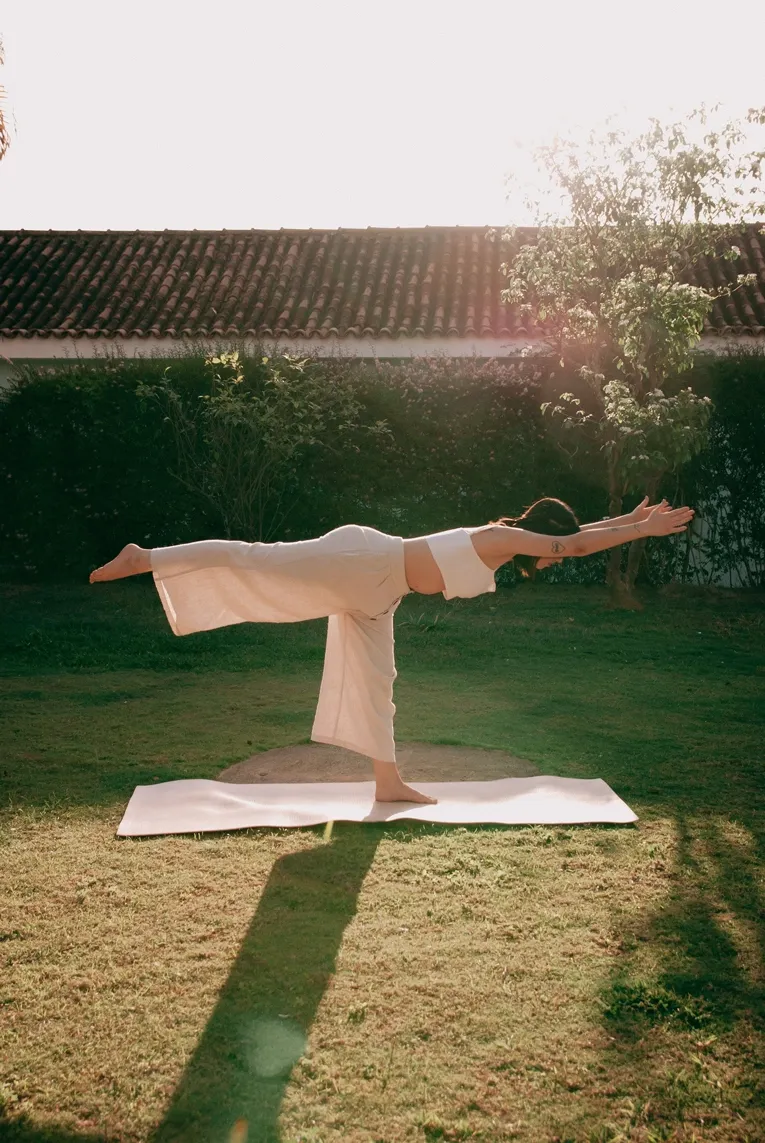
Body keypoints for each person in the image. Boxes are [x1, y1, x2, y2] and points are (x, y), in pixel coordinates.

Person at [89, 495, 693, 805]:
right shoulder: (501, 537)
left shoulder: (514, 543)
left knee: (378, 681)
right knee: (260, 556)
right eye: (548, 544)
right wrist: (638, 530)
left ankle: (387, 783)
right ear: (540, 533)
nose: (546, 557)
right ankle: (147, 557)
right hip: (364, 560)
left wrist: (625, 518)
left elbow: (573, 537)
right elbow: (573, 546)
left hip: (381, 594)